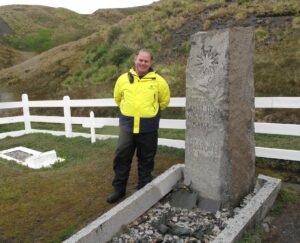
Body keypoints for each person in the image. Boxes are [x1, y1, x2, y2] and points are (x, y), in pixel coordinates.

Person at [107, 49, 170, 204]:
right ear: (135, 59)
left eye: (146, 61)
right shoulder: (122, 79)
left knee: (146, 159)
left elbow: (164, 101)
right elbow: (117, 98)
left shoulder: (159, 81)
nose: (142, 63)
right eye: (140, 60)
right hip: (127, 127)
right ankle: (119, 190)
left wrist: (149, 113)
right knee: (122, 157)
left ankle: (143, 190)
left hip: (148, 128)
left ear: (151, 63)